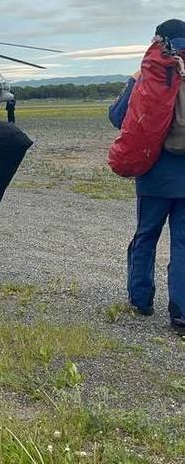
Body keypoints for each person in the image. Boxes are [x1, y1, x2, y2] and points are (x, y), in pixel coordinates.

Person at [109, 19, 185, 333]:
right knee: (183, 244)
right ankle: (181, 312)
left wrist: (133, 79)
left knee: (145, 237)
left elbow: (117, 117)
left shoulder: (151, 74)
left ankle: (140, 300)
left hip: (153, 176)